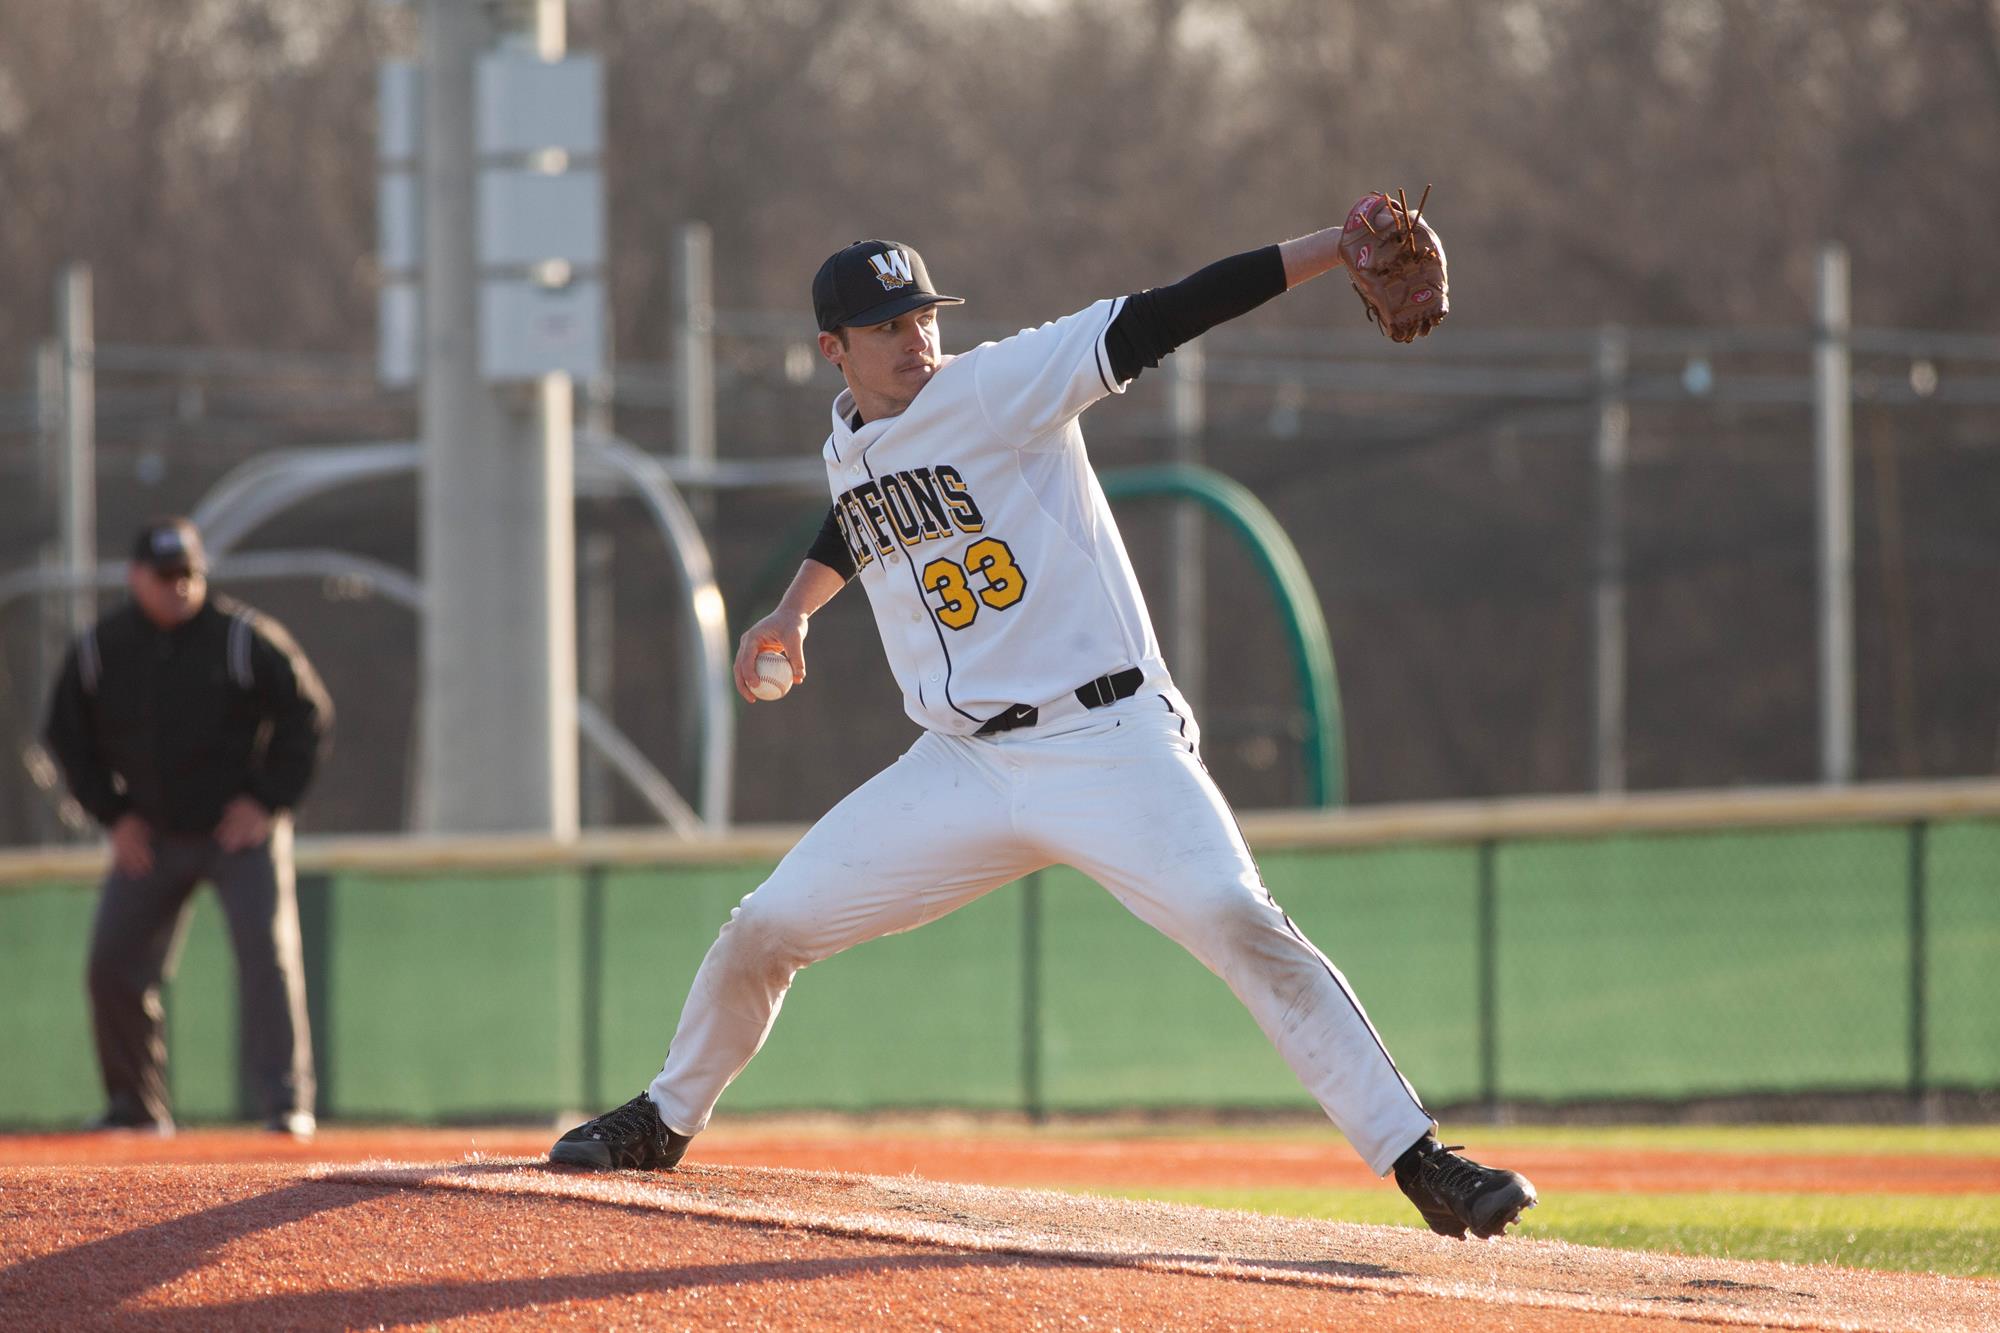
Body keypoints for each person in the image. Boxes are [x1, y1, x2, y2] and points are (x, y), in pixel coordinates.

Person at [552, 232, 1537, 1238]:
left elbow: (1164, 311)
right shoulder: (850, 435)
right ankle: (664, 1118)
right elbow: (859, 510)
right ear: (830, 350)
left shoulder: (996, 386)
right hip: (961, 765)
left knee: (1232, 914)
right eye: (887, 325)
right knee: (764, 928)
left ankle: (1422, 1159)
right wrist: (795, 609)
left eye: (923, 314)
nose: (914, 337)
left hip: (1105, 738)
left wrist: (1331, 247)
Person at [43, 517, 332, 1139]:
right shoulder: (101, 649)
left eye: (190, 575)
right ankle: (137, 1109)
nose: (179, 586)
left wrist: (265, 800)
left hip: (238, 835)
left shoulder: (241, 638)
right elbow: (65, 736)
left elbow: (307, 715)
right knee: (112, 965)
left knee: (267, 956)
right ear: (135, 577)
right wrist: (113, 816)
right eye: (166, 575)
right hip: (152, 835)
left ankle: (287, 1106)